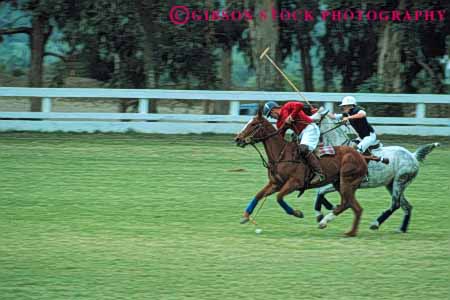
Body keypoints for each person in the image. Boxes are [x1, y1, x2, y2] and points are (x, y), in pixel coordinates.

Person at [263, 101, 325, 185]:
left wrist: (291, 116)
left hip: (310, 128)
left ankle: (319, 173)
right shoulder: (279, 123)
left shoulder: (287, 106)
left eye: (270, 115)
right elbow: (280, 136)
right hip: (300, 135)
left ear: (273, 110)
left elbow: (300, 105)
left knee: (303, 149)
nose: (272, 118)